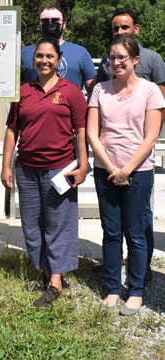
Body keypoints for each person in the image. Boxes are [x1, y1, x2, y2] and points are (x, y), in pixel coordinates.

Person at [1, 38, 88, 307]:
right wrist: (6, 165)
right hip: (27, 168)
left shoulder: (71, 91)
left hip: (60, 169)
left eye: (49, 56)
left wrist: (83, 165)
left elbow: (81, 131)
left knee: (58, 224)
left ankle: (56, 281)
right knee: (32, 224)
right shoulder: (22, 92)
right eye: (39, 56)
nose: (44, 60)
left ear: (58, 59)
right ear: (33, 60)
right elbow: (12, 130)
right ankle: (44, 271)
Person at [87, 35, 165, 315]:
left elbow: (151, 136)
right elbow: (92, 134)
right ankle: (111, 288)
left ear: (135, 60)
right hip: (105, 172)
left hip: (138, 173)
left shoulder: (150, 91)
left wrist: (126, 170)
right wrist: (111, 169)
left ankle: (135, 290)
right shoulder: (100, 90)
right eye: (112, 56)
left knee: (135, 233)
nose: (116, 62)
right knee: (111, 232)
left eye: (122, 57)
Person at [20, 0, 96, 95]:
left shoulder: (80, 52)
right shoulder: (25, 53)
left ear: (64, 24)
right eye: (45, 20)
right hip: (34, 107)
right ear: (40, 24)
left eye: (55, 20)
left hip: (70, 107)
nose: (50, 23)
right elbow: (16, 90)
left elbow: (94, 93)